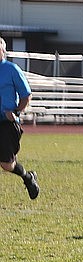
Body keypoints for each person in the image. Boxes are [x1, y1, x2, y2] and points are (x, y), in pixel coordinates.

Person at [0, 37, 37, 200]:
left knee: (7, 165)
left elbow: (26, 95)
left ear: (3, 51)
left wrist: (15, 111)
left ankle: (28, 177)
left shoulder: (11, 69)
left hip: (7, 123)